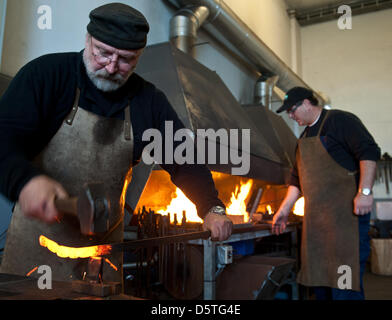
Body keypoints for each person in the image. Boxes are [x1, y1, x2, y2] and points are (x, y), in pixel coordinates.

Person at [0, 3, 232, 283]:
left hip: (104, 252)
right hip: (38, 248)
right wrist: (25, 181)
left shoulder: (149, 102)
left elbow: (185, 161)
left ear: (139, 57)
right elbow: (4, 142)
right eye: (103, 52)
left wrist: (211, 207)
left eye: (125, 59)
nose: (111, 67)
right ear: (88, 40)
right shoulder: (45, 76)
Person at [272, 86, 381, 300]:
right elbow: (297, 179)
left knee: (344, 281)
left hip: (346, 220)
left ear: (306, 103)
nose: (291, 116)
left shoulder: (340, 121)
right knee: (320, 280)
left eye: (292, 110)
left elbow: (368, 152)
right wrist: (284, 209)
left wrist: (365, 192)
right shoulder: (303, 138)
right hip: (317, 227)